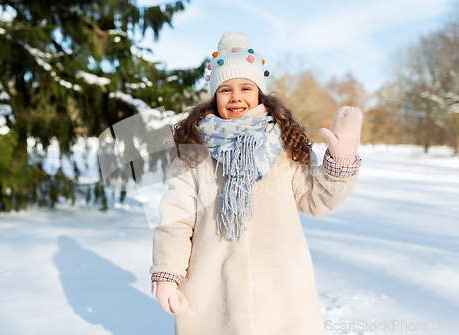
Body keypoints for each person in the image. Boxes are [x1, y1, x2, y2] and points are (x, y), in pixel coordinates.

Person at [149, 31, 363, 335]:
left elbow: (316, 201)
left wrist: (340, 162)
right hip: (213, 290)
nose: (236, 96)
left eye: (246, 87)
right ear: (215, 97)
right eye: (226, 89)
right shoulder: (194, 151)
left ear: (260, 93)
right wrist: (167, 273)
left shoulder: (284, 145)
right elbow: (176, 219)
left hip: (281, 290)